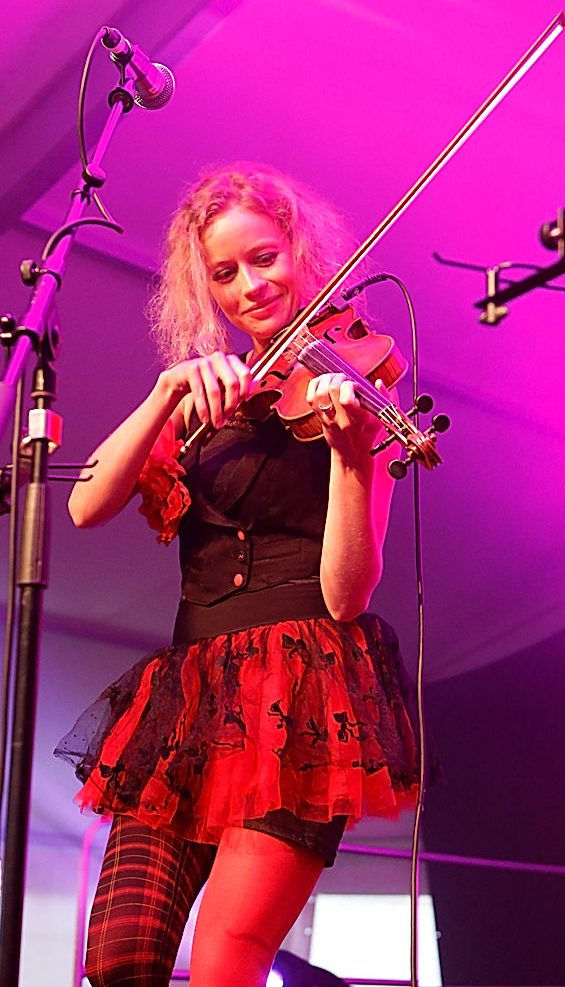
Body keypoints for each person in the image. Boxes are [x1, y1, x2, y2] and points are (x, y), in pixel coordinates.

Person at [56, 163, 423, 987]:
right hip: (191, 695)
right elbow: (85, 505)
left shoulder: (359, 387)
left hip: (302, 693)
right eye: (224, 273)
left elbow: (344, 596)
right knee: (119, 958)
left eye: (264, 258)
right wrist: (163, 393)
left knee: (228, 957)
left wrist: (349, 452)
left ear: (303, 248)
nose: (249, 285)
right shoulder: (206, 398)